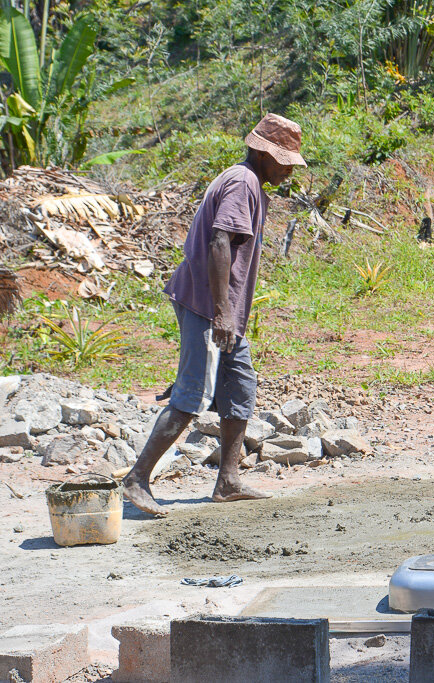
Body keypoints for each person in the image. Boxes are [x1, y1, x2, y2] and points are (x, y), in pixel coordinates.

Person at [123, 113, 306, 517]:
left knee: (240, 387)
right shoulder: (243, 182)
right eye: (286, 160)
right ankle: (137, 478)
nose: (290, 169)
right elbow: (220, 241)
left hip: (223, 309)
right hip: (209, 305)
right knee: (193, 395)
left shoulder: (249, 181)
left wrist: (229, 313)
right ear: (264, 153)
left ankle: (228, 480)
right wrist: (222, 312)